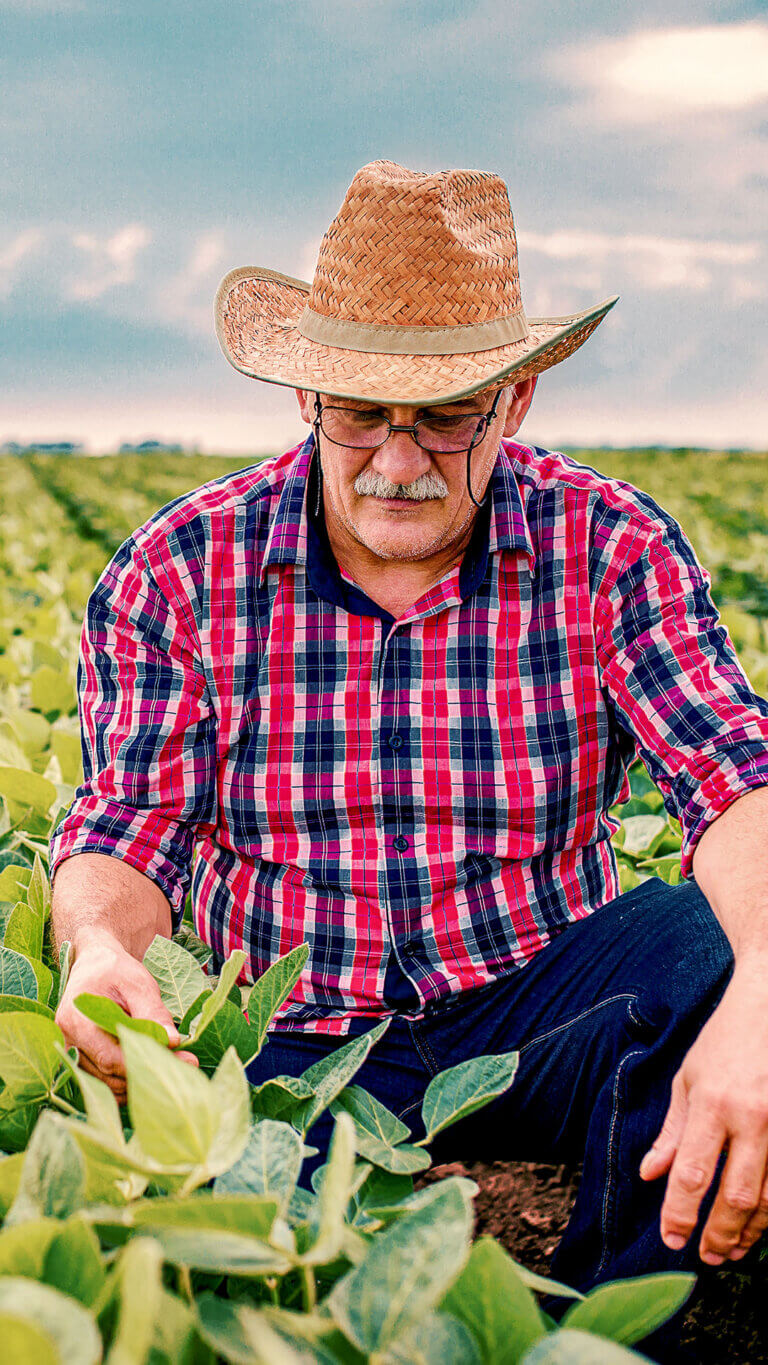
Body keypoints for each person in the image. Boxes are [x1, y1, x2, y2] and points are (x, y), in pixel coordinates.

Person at [51, 160, 768, 1342]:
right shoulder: (179, 569)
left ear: (518, 400)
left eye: (444, 414)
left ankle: (598, 1333)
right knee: (222, 1215)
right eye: (360, 412)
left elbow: (734, 779)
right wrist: (93, 955)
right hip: (297, 1038)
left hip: (538, 998)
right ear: (305, 399)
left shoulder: (611, 545)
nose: (397, 458)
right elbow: (131, 828)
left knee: (710, 959)